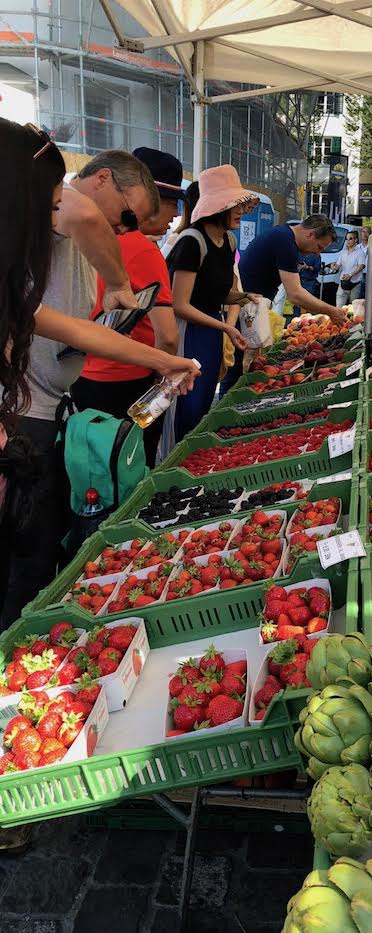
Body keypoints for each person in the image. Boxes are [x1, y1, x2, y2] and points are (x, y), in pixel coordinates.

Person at [0, 121, 198, 631]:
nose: (55, 215)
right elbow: (83, 209)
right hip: (23, 423)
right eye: (47, 204)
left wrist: (163, 361)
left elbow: (72, 330)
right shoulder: (77, 216)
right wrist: (118, 283)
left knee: (35, 553)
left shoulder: (14, 290)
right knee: (24, 562)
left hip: (32, 419)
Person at [72, 147, 186, 466]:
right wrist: (163, 373)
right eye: (169, 204)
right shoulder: (142, 250)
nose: (175, 214)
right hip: (127, 383)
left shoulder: (82, 236)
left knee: (91, 469)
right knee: (130, 468)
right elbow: (168, 336)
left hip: (81, 378)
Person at [167, 164, 255, 441]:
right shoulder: (191, 242)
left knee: (204, 401)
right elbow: (180, 304)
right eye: (235, 205)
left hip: (211, 331)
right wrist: (225, 328)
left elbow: (218, 295)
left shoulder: (228, 242)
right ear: (218, 207)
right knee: (185, 406)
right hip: (186, 333)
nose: (241, 211)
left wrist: (244, 297)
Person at [238, 214, 346, 324]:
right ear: (310, 234)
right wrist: (331, 311)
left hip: (250, 306)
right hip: (245, 309)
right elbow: (295, 294)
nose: (317, 253)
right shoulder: (285, 243)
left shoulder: (284, 234)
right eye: (319, 247)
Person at [332, 230, 365, 306]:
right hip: (343, 283)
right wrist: (333, 266)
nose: (348, 241)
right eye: (347, 239)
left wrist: (350, 275)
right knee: (339, 307)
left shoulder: (360, 252)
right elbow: (337, 266)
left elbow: (361, 266)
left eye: (350, 239)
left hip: (355, 284)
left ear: (355, 240)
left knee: (353, 308)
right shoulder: (343, 252)